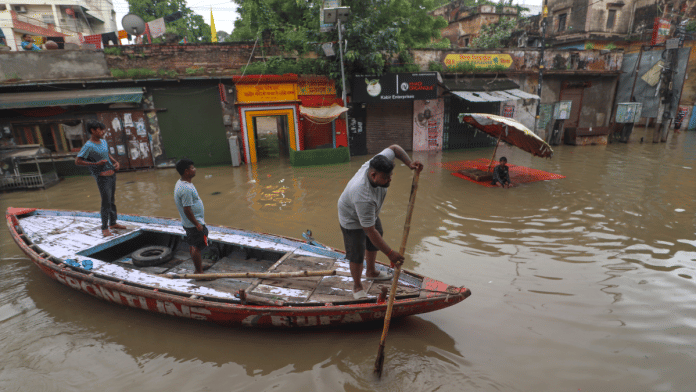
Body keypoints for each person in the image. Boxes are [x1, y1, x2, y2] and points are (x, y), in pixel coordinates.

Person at [338, 145, 423, 299]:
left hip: (369, 213)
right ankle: (357, 287)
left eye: (390, 175)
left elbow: (395, 148)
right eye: (386, 177)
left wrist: (409, 163)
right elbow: (369, 231)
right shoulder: (363, 195)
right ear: (373, 175)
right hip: (351, 218)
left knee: (378, 234)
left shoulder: (380, 162)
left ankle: (371, 271)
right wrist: (390, 254)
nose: (390, 179)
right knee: (356, 253)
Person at [75, 120, 126, 236]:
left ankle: (113, 223)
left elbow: (107, 154)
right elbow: (77, 161)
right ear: (93, 131)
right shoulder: (88, 146)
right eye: (100, 130)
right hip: (102, 178)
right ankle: (104, 228)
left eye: (103, 129)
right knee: (106, 202)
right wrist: (95, 164)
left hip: (112, 175)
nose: (103, 132)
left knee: (112, 201)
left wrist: (115, 162)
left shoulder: (103, 142)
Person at [174, 158, 210, 274]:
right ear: (186, 171)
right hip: (192, 224)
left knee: (193, 244)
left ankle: (198, 267)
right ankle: (199, 272)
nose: (195, 169)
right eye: (192, 168)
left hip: (189, 223)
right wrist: (197, 224)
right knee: (196, 247)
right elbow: (187, 210)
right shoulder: (185, 188)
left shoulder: (182, 183)